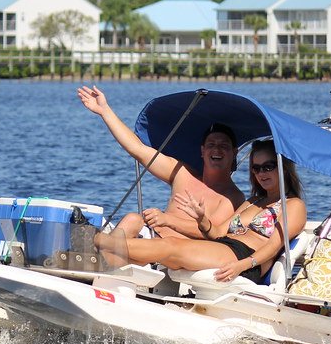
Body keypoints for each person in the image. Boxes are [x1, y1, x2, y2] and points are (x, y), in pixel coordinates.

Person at [95, 140, 307, 283]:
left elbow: (273, 246)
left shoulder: (293, 205)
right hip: (224, 246)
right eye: (256, 168)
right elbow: (218, 233)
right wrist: (201, 218)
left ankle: (95, 240)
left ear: (283, 167)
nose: (261, 173)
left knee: (171, 247)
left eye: (268, 166)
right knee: (158, 256)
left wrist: (241, 265)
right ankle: (101, 266)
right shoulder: (253, 201)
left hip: (245, 258)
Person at [77, 85, 245, 239]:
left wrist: (168, 220)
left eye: (223, 146)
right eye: (211, 145)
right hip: (152, 237)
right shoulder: (182, 173)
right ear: (202, 151)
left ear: (234, 153)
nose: (216, 150)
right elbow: (137, 149)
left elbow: (213, 232)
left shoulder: (233, 196)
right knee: (133, 219)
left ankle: (102, 249)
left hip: (179, 252)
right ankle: (100, 255)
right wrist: (104, 111)